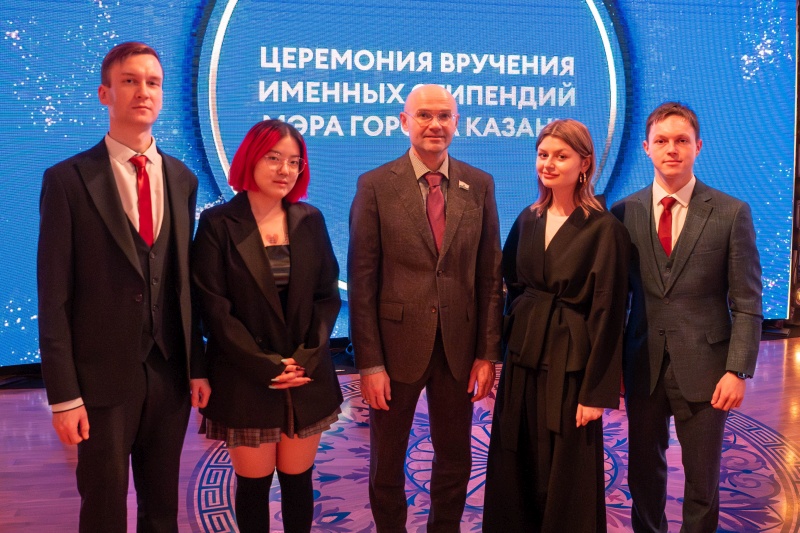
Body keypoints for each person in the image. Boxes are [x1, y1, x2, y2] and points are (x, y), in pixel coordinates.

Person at [37, 42, 210, 532]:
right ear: (104, 94)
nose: (143, 91)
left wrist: (197, 367)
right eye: (130, 81)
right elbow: (53, 296)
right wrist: (64, 396)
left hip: (169, 374)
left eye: (153, 82)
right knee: (103, 507)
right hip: (99, 380)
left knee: (162, 509)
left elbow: (182, 284)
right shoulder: (68, 180)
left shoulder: (182, 178)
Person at [347, 84, 504, 532]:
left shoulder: (480, 184)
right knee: (387, 460)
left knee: (455, 457)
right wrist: (369, 363)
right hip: (394, 350)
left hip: (460, 349)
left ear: (457, 122)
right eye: (424, 115)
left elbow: (490, 277)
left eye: (444, 116)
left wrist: (487, 354)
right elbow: (362, 283)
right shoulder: (376, 185)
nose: (435, 124)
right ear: (404, 121)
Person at [611, 102, 762, 532]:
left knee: (702, 481)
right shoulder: (622, 213)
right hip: (641, 366)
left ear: (698, 146)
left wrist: (738, 370)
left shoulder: (731, 212)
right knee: (643, 474)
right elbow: (616, 301)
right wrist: (611, 367)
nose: (672, 149)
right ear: (646, 148)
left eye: (681, 140)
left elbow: (748, 301)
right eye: (661, 141)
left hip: (709, 370)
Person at [191, 119, 342, 533]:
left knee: (298, 483)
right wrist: (267, 366)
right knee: (254, 488)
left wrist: (305, 358)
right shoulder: (218, 223)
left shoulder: (310, 219)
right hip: (245, 377)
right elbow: (214, 309)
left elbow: (326, 295)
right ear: (250, 159)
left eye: (294, 162)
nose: (284, 170)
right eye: (274, 158)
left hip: (305, 375)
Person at [482, 119, 630, 532]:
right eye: (543, 154)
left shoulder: (605, 229)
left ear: (585, 163)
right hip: (523, 358)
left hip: (571, 366)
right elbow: (510, 286)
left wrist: (596, 392)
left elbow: (609, 313)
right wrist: (499, 355)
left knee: (566, 469)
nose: (548, 164)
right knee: (515, 457)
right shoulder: (528, 218)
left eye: (560, 156)